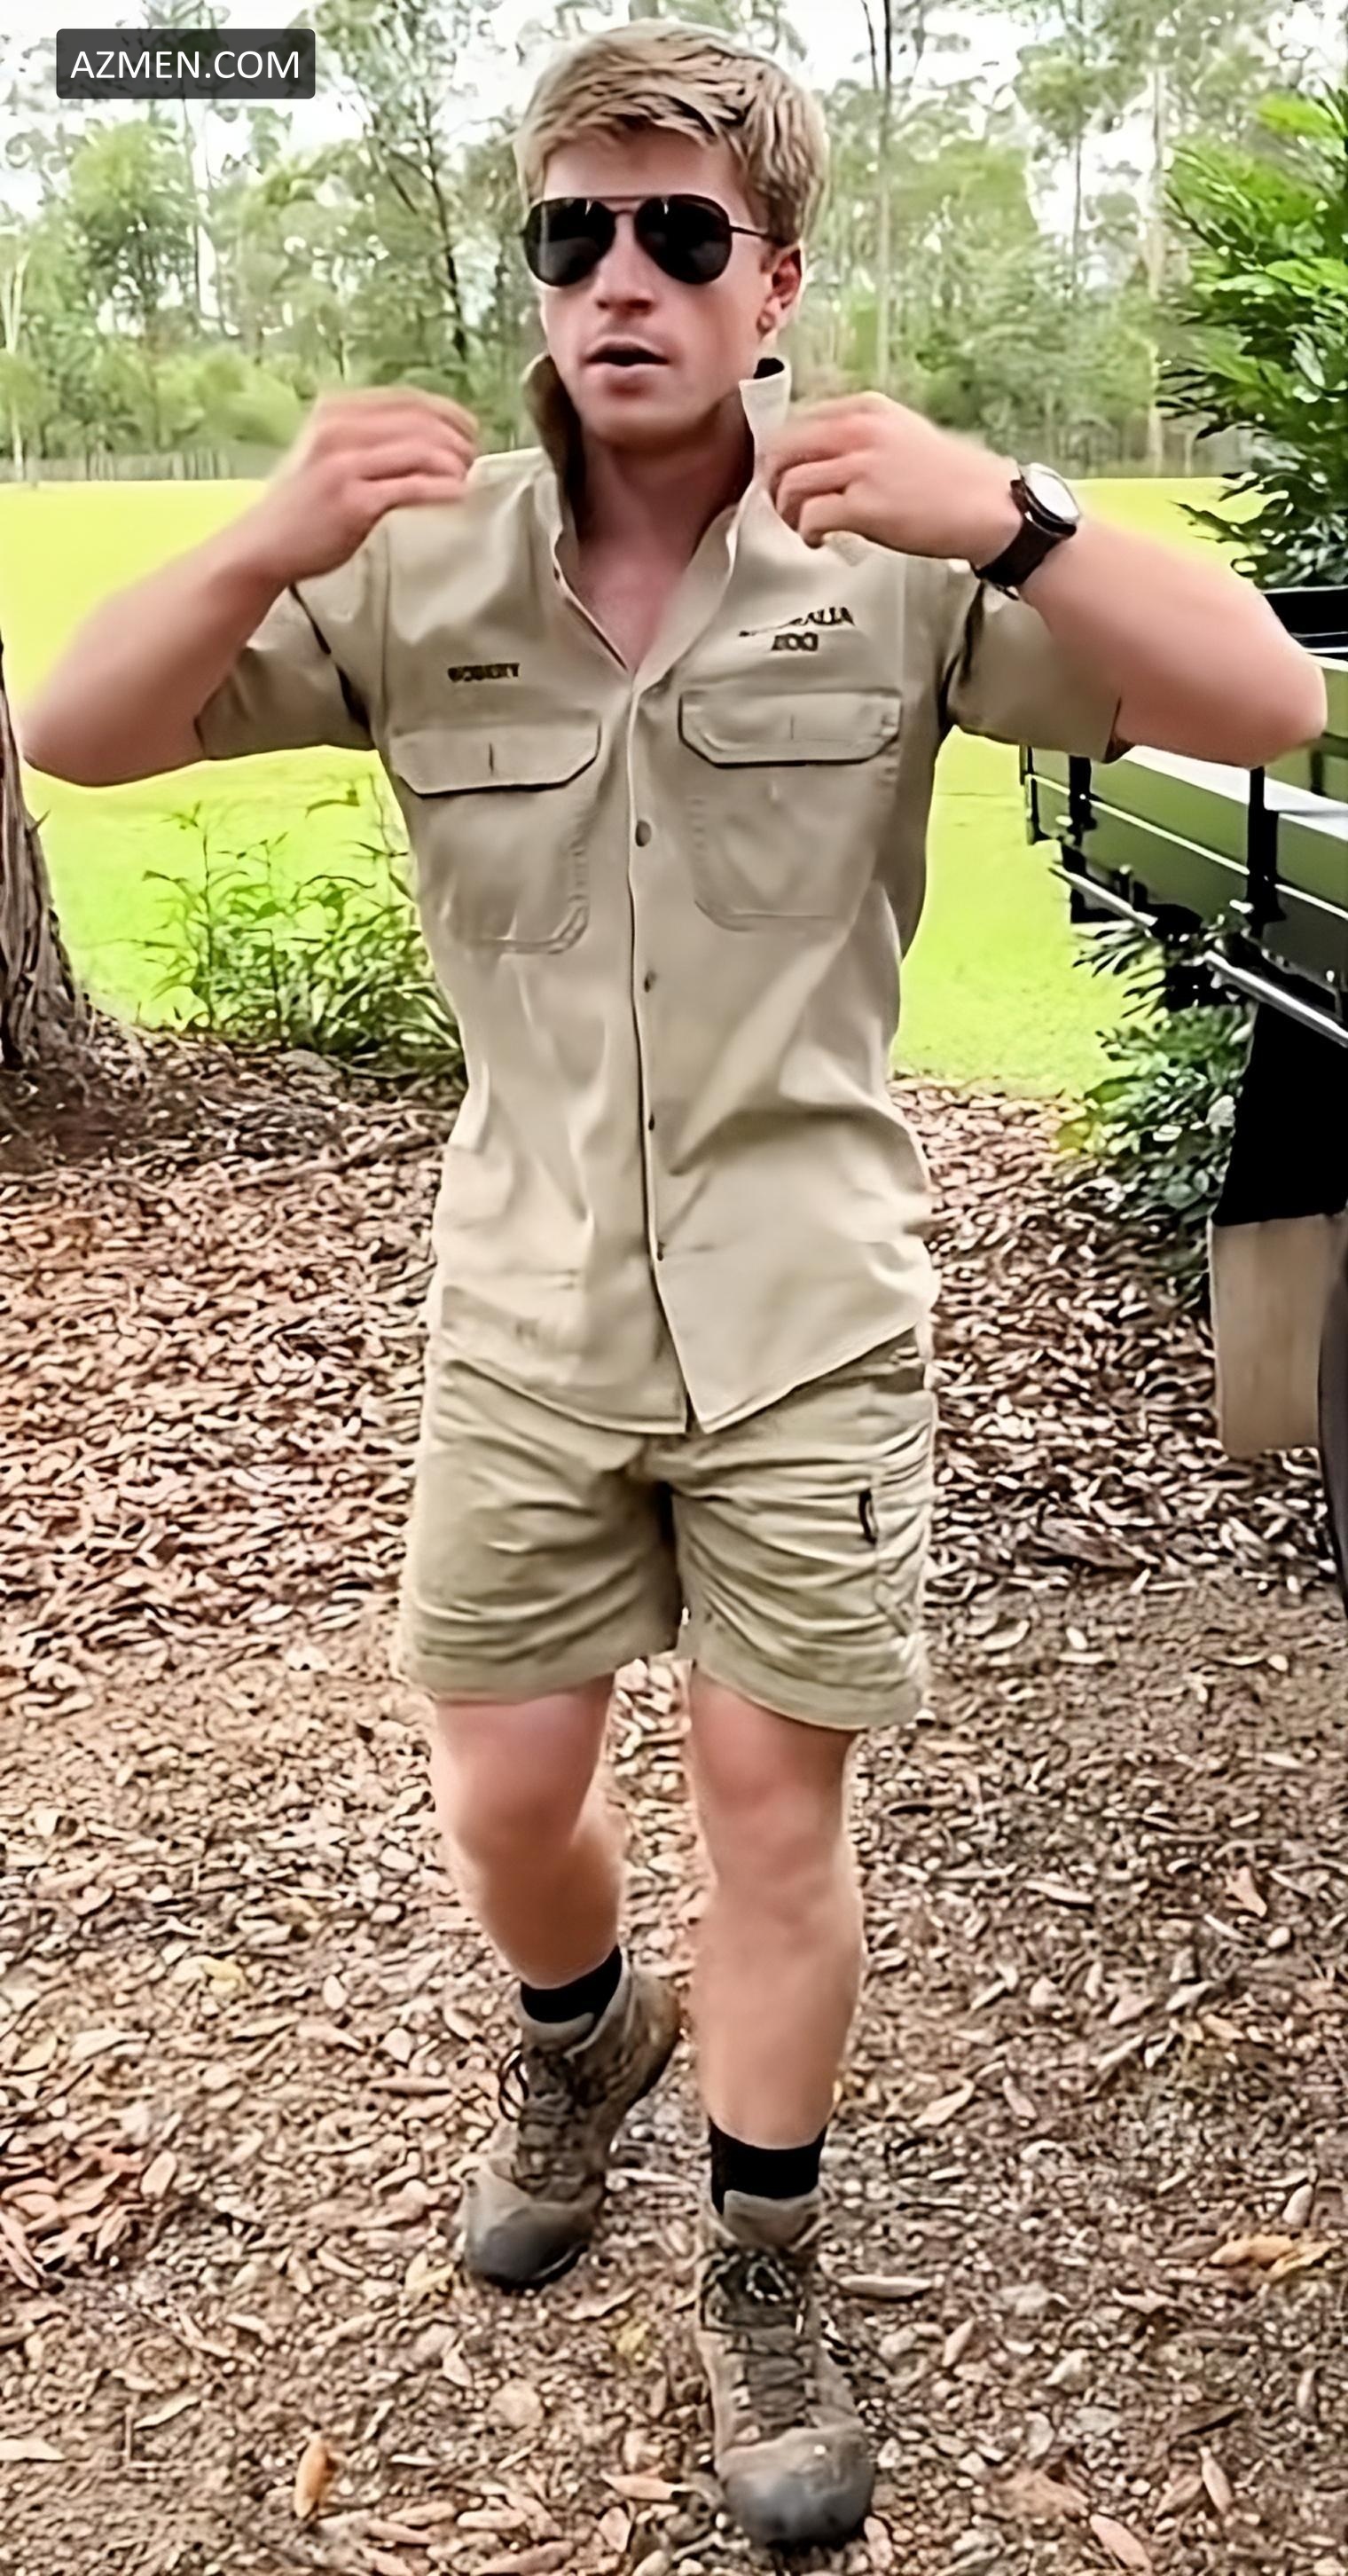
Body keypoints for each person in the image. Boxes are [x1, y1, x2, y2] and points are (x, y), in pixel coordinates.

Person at [18, 20, 1326, 2550]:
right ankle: (582, 2037)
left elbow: (1269, 697)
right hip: (520, 1319)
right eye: (572, 232)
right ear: (538, 269)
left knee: (765, 1811)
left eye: (679, 233)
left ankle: (763, 2264)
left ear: (772, 282)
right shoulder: (419, 568)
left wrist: (1017, 513)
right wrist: (265, 532)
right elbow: (72, 733)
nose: (619, 278)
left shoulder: (898, 557)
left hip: (807, 1317)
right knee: (511, 1794)